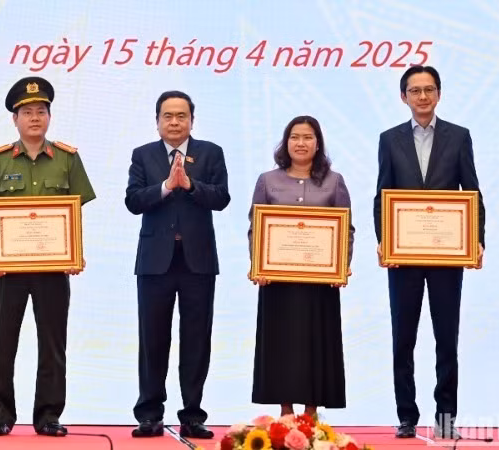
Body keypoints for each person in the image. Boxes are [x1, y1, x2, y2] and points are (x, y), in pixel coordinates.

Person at [0, 76, 96, 437]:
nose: (35, 118)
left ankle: (48, 415)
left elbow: (74, 212)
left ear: (50, 117)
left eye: (41, 111)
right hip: (8, 270)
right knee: (1, 341)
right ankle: (0, 413)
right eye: (27, 112)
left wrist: (75, 253)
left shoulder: (68, 160)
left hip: (54, 268)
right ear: (15, 119)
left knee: (53, 343)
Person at [373, 66, 485, 439]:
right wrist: (383, 239)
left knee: (446, 338)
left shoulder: (459, 137)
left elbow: (471, 193)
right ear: (403, 97)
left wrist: (477, 239)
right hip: (403, 255)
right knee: (403, 337)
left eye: (429, 89)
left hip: (446, 257)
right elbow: (382, 195)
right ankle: (407, 416)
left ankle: (446, 418)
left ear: (439, 94)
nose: (422, 97)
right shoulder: (389, 139)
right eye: (414, 90)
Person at [125, 90, 230, 439]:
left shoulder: (211, 153)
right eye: (167, 116)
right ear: (157, 121)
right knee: (152, 340)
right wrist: (167, 186)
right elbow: (133, 201)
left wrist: (191, 185)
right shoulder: (143, 156)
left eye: (181, 116)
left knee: (196, 341)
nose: (174, 122)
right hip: (155, 264)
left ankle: (193, 415)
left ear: (191, 121)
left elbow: (221, 198)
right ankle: (149, 414)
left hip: (197, 263)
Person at [248, 115, 354, 418]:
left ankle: (311, 411)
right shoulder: (267, 180)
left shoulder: (334, 181)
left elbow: (346, 228)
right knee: (282, 344)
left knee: (315, 344)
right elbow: (256, 226)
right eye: (295, 137)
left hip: (320, 282)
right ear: (286, 142)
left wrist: (341, 266)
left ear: (317, 143)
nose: (301, 143)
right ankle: (285, 410)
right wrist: (258, 265)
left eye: (308, 137)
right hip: (277, 282)